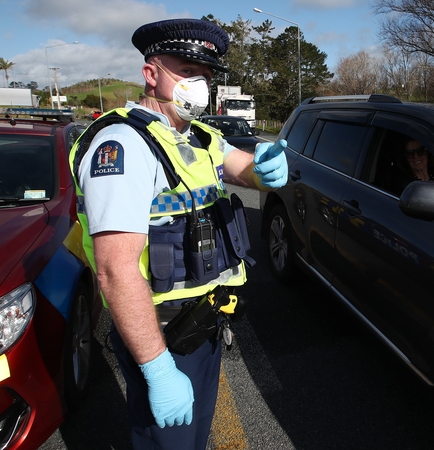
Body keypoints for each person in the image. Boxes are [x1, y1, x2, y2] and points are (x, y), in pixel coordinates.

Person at [68, 18, 288, 450]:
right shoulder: (124, 146)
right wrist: (158, 368)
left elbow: (240, 168)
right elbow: (115, 270)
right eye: (187, 72)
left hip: (203, 323)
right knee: (167, 443)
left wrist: (265, 169)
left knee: (194, 438)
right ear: (151, 74)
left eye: (205, 76)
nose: (199, 85)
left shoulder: (199, 136)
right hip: (161, 336)